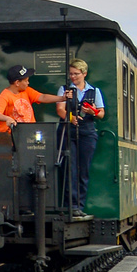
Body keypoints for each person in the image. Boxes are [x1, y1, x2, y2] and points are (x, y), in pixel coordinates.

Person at [55, 59, 104, 220]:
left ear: (84, 74)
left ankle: (80, 205)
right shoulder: (65, 89)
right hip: (68, 129)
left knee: (83, 170)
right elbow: (60, 109)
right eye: (71, 74)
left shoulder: (94, 91)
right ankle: (71, 206)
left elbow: (101, 113)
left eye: (76, 74)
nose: (73, 77)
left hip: (87, 132)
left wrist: (91, 112)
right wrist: (70, 117)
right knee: (70, 168)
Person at [0, 65, 71, 133]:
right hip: (12, 135)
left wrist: (62, 98)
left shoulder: (26, 90)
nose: (28, 83)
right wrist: (7, 118)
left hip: (29, 132)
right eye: (26, 81)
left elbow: (42, 97)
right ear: (17, 83)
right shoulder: (5, 95)